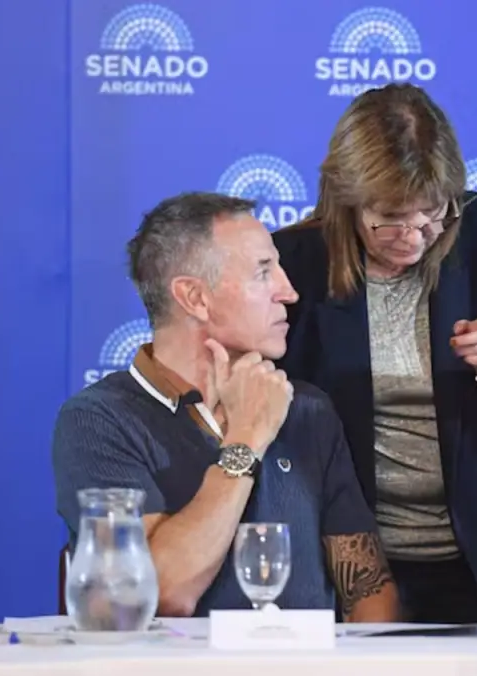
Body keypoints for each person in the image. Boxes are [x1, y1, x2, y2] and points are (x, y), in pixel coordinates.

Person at [272, 83, 477, 624]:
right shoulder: (294, 261)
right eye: (389, 218)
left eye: (431, 214)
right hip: (344, 569)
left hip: (473, 563)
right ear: (347, 198)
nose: (413, 236)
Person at [52, 192, 399, 621]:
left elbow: (367, 589)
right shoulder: (99, 421)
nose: (289, 292)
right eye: (263, 272)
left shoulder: (308, 410)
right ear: (195, 298)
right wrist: (247, 440)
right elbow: (162, 594)